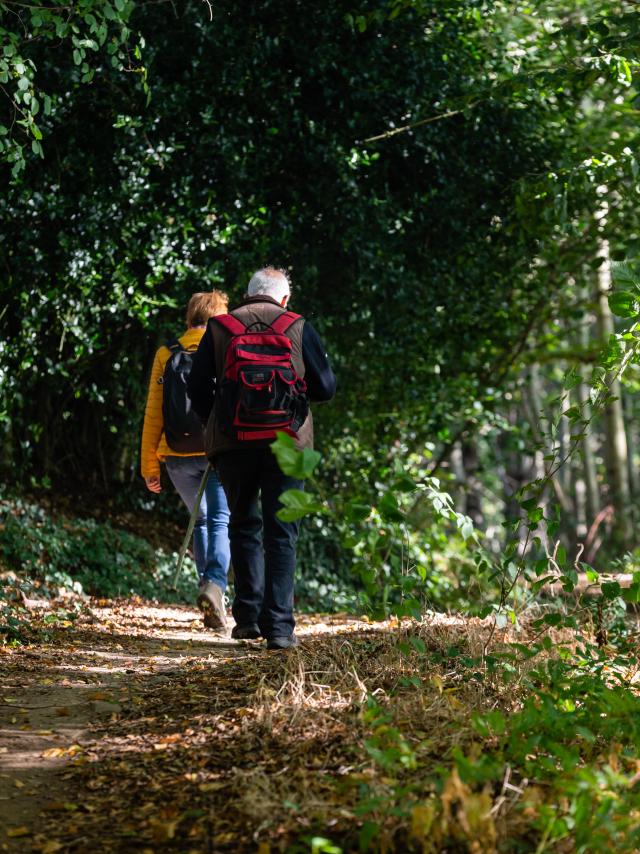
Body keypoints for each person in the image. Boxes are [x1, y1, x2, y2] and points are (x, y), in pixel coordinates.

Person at [187, 267, 336, 649]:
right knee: (281, 533)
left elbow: (197, 387)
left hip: (234, 443)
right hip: (288, 445)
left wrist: (216, 419)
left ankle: (248, 619)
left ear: (248, 294)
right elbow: (326, 387)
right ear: (283, 299)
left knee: (242, 524)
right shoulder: (298, 325)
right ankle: (280, 629)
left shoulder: (221, 328)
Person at [140, 290, 231, 630]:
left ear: (190, 316)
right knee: (219, 520)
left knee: (203, 519)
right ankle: (216, 586)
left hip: (176, 457)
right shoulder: (224, 349)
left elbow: (153, 414)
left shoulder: (167, 353)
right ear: (220, 317)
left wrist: (150, 467)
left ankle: (211, 593)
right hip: (216, 453)